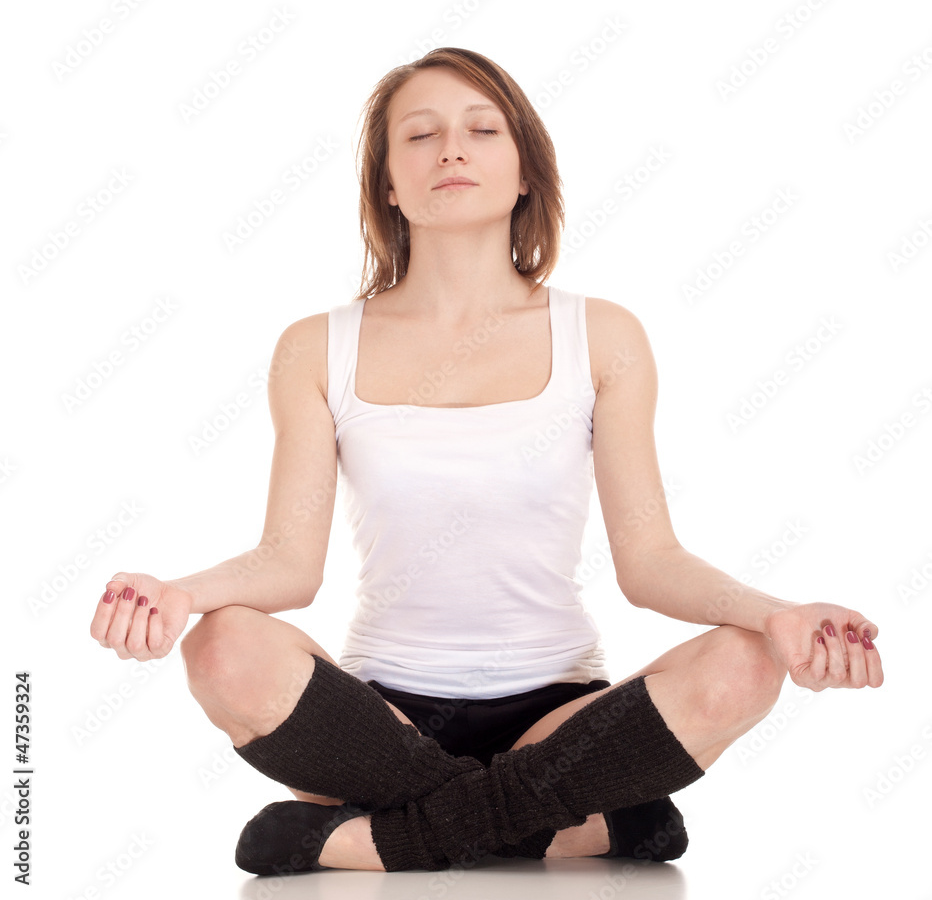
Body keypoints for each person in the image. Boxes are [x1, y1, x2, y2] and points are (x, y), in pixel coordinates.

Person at [89, 47, 884, 875]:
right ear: (389, 184)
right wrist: (182, 595)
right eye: (420, 135)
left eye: (482, 129)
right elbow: (288, 565)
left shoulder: (603, 336)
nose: (452, 150)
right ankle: (577, 825)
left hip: (561, 722)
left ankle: (384, 837)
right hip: (381, 723)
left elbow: (652, 563)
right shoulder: (316, 348)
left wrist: (779, 614)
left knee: (749, 660)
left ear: (525, 172)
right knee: (221, 645)